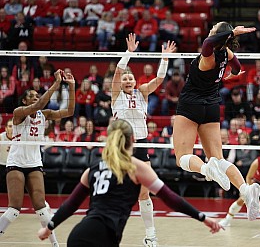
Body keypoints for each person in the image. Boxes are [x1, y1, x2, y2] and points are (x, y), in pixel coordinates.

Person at [37, 119, 223, 246]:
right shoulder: (136, 167)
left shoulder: (93, 168)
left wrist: (49, 227)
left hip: (80, 235)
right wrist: (203, 218)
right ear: (133, 140)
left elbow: (70, 205)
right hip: (102, 236)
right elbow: (170, 198)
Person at [173, 22, 260, 221]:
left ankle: (206, 169)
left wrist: (231, 32)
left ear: (217, 34)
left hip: (191, 105)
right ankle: (246, 190)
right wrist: (233, 73)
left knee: (182, 157)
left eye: (214, 27)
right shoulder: (226, 53)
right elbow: (238, 68)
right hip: (212, 106)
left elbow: (207, 42)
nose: (211, 27)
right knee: (219, 158)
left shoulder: (209, 54)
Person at [111, 33, 176, 246]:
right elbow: (118, 72)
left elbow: (158, 80)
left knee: (143, 193)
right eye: (125, 79)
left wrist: (164, 59)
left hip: (140, 145)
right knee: (117, 193)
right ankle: (108, 232)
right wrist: (129, 53)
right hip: (121, 148)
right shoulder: (116, 95)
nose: (128, 80)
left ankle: (150, 236)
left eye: (131, 78)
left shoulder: (142, 93)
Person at [0, 69, 75, 247]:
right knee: (14, 209)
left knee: (42, 209)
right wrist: (56, 84)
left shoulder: (45, 114)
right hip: (16, 163)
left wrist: (71, 87)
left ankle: (55, 245)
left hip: (34, 163)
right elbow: (37, 106)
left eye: (37, 95)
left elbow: (70, 111)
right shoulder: (19, 113)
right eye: (31, 96)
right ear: (24, 101)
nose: (35, 97)